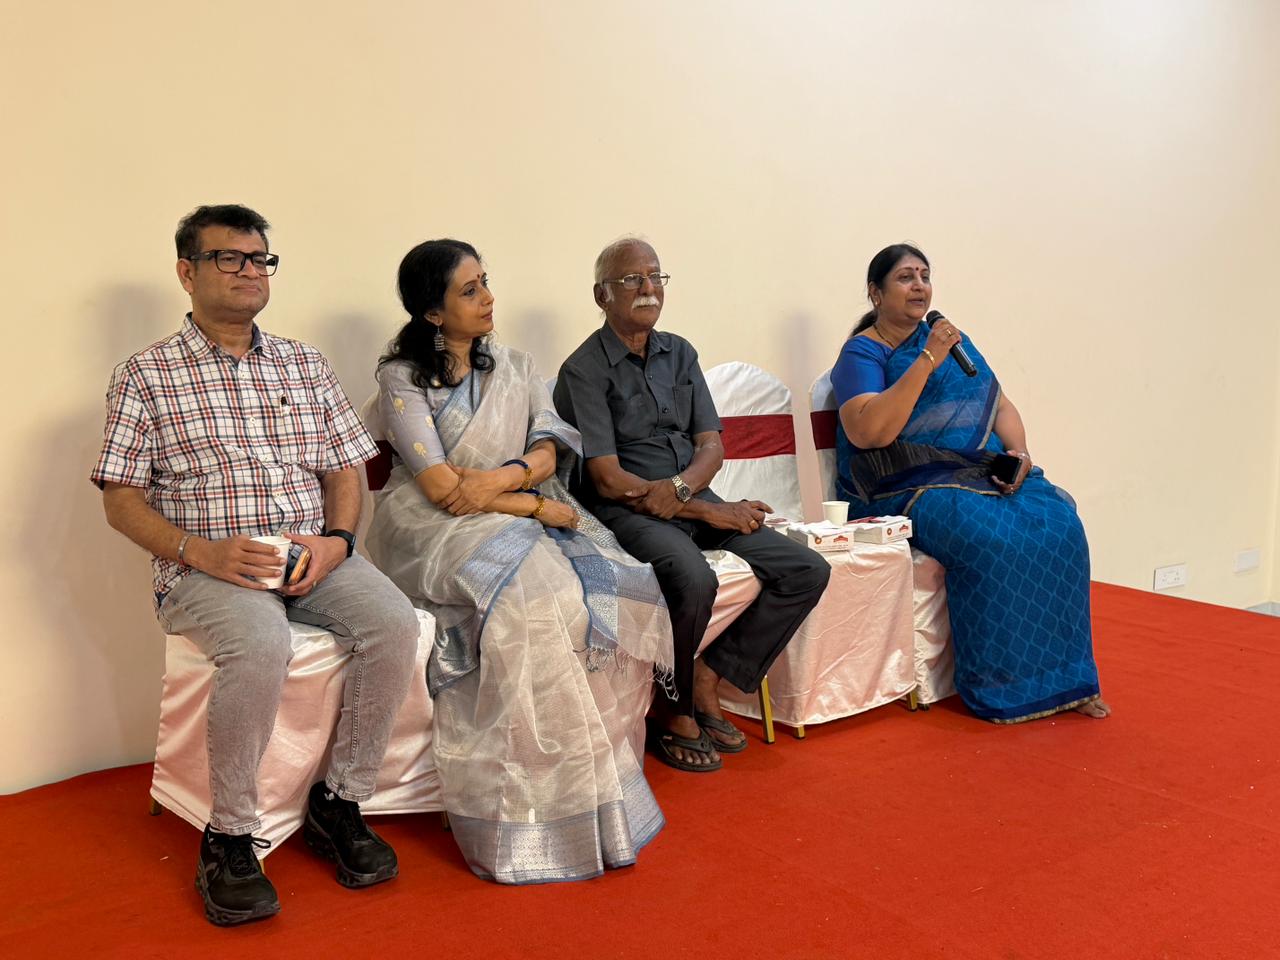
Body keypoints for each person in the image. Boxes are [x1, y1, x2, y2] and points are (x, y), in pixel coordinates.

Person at [91, 205, 420, 926]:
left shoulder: (305, 363)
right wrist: (200, 550)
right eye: (229, 258)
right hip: (206, 569)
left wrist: (338, 541)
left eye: (259, 259)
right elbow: (121, 498)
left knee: (396, 624)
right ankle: (231, 836)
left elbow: (345, 469)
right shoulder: (145, 375)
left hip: (312, 553)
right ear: (187, 272)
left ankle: (340, 801)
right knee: (262, 640)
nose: (249, 271)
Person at [364, 239, 675, 885]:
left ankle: (591, 790)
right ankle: (525, 807)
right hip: (429, 527)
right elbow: (439, 488)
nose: (488, 298)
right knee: (535, 606)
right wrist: (532, 506)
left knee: (605, 589)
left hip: (506, 506)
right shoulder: (402, 378)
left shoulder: (514, 363)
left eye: (485, 282)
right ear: (432, 312)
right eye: (469, 290)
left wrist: (504, 481)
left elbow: (549, 445)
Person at [554, 237, 830, 773]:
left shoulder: (680, 353)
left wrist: (685, 494)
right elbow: (606, 479)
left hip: (691, 497)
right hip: (626, 512)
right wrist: (704, 510)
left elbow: (712, 446)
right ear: (601, 295)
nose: (648, 288)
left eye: (655, 276)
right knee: (692, 578)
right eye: (631, 279)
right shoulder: (582, 369)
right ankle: (671, 707)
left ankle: (708, 677)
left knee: (805, 569)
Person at [831, 242, 1110, 723]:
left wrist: (1020, 455)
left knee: (1059, 521)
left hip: (972, 471)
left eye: (924, 276)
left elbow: (999, 404)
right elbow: (870, 432)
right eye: (905, 277)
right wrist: (927, 359)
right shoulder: (863, 352)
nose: (919, 286)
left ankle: (1067, 680)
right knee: (987, 536)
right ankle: (1004, 686)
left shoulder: (953, 343)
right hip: (898, 483)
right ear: (875, 292)